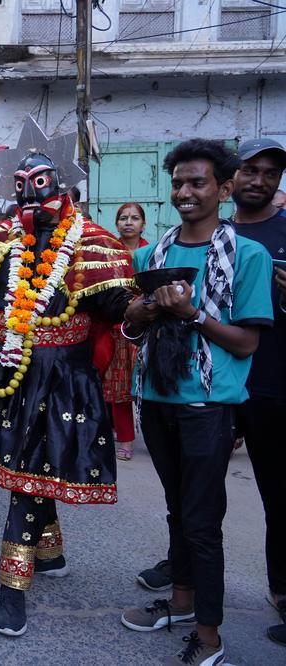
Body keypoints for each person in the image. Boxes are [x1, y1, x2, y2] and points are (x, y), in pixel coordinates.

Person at [0, 151, 135, 636]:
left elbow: (116, 303)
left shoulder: (91, 241)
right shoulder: (2, 235)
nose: (29, 192)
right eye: (20, 183)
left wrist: (144, 309)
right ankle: (51, 552)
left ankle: (13, 584)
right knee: (34, 464)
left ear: (59, 186)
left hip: (64, 378)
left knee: (29, 472)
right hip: (10, 366)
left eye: (38, 181)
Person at [120, 139, 272, 666]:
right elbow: (130, 328)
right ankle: (181, 603)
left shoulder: (245, 255)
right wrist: (138, 316)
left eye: (198, 183)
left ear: (224, 190)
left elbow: (247, 342)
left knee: (203, 521)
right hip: (156, 398)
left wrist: (189, 314)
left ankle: (209, 634)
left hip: (208, 405)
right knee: (177, 511)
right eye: (178, 183)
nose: (185, 192)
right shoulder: (151, 254)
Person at [227, 138, 286, 646]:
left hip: (273, 383)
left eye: (270, 173)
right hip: (219, 384)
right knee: (194, 487)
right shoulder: (214, 235)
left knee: (279, 494)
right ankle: (184, 577)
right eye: (250, 170)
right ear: (233, 177)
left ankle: (282, 591)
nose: (260, 180)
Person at [106, 203, 149, 461]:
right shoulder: (109, 251)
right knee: (120, 385)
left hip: (148, 324)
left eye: (134, 218)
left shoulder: (152, 252)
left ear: (143, 224)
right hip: (118, 325)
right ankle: (125, 438)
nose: (129, 222)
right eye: (123, 218)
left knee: (148, 385)